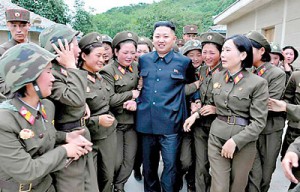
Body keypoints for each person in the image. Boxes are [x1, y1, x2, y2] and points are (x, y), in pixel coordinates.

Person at [0, 43, 92, 192]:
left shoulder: (47, 106)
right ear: (30, 79)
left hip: (47, 186)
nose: (53, 78)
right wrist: (65, 150)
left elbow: (42, 136)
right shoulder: (5, 121)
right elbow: (26, 171)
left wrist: (66, 137)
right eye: (48, 71)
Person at [184, 34, 268, 192]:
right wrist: (196, 115)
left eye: (228, 50)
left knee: (237, 186)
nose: (222, 54)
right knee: (219, 187)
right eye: (222, 50)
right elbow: (211, 104)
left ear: (243, 55)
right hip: (216, 137)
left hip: (243, 142)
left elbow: (259, 122)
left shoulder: (257, 83)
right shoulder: (217, 77)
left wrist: (235, 141)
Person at [136, 21, 198, 192]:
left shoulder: (184, 62)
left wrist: (196, 102)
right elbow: (137, 86)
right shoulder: (143, 60)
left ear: (173, 39)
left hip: (171, 123)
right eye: (157, 36)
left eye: (165, 36)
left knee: (171, 167)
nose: (161, 40)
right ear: (152, 39)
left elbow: (194, 85)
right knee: (149, 168)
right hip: (146, 123)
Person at [39, 24, 99, 192]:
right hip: (66, 137)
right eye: (75, 43)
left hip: (80, 131)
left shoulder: (64, 69)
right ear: (62, 46)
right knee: (72, 185)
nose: (79, 49)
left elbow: (78, 97)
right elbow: (75, 98)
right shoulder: (51, 73)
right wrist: (72, 66)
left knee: (89, 184)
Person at [183, 32, 225, 192]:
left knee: (217, 167)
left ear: (221, 53)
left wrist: (214, 109)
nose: (207, 57)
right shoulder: (201, 71)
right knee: (201, 165)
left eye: (211, 53)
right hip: (200, 125)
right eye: (204, 52)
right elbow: (198, 91)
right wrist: (195, 102)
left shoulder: (226, 73)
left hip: (218, 125)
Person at [246, 31, 286, 192]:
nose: (245, 53)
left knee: (265, 174)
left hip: (269, 130)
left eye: (249, 49)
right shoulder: (247, 72)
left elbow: (268, 104)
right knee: (251, 172)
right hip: (250, 129)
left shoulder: (276, 74)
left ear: (262, 51)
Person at [78, 32, 118, 192]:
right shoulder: (76, 81)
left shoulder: (100, 77)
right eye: (98, 56)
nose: (102, 60)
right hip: (89, 139)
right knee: (91, 182)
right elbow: (69, 118)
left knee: (108, 176)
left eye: (104, 55)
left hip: (108, 136)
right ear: (84, 55)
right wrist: (96, 120)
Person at [100, 31, 140, 192]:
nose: (129, 56)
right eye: (125, 52)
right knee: (115, 162)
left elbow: (143, 91)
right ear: (116, 52)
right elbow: (109, 99)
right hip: (114, 123)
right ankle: (110, 185)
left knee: (129, 160)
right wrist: (130, 94)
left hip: (132, 122)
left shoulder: (137, 68)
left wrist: (136, 100)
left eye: (132, 52)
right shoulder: (108, 71)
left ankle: (119, 186)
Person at [273, 70, 300, 190]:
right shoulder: (296, 76)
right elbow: (287, 98)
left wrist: (287, 107)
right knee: (295, 175)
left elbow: (286, 105)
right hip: (295, 131)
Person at [133, 35, 153, 181]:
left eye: (144, 51)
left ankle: (147, 170)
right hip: (131, 112)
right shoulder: (130, 68)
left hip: (147, 113)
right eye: (138, 51)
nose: (140, 55)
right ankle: (136, 168)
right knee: (137, 146)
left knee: (147, 146)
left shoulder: (152, 67)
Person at [0, 8, 31, 97]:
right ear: (8, 26)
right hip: (12, 100)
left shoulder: (36, 50)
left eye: (22, 25)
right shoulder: (2, 51)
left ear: (29, 25)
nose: (18, 30)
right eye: (14, 26)